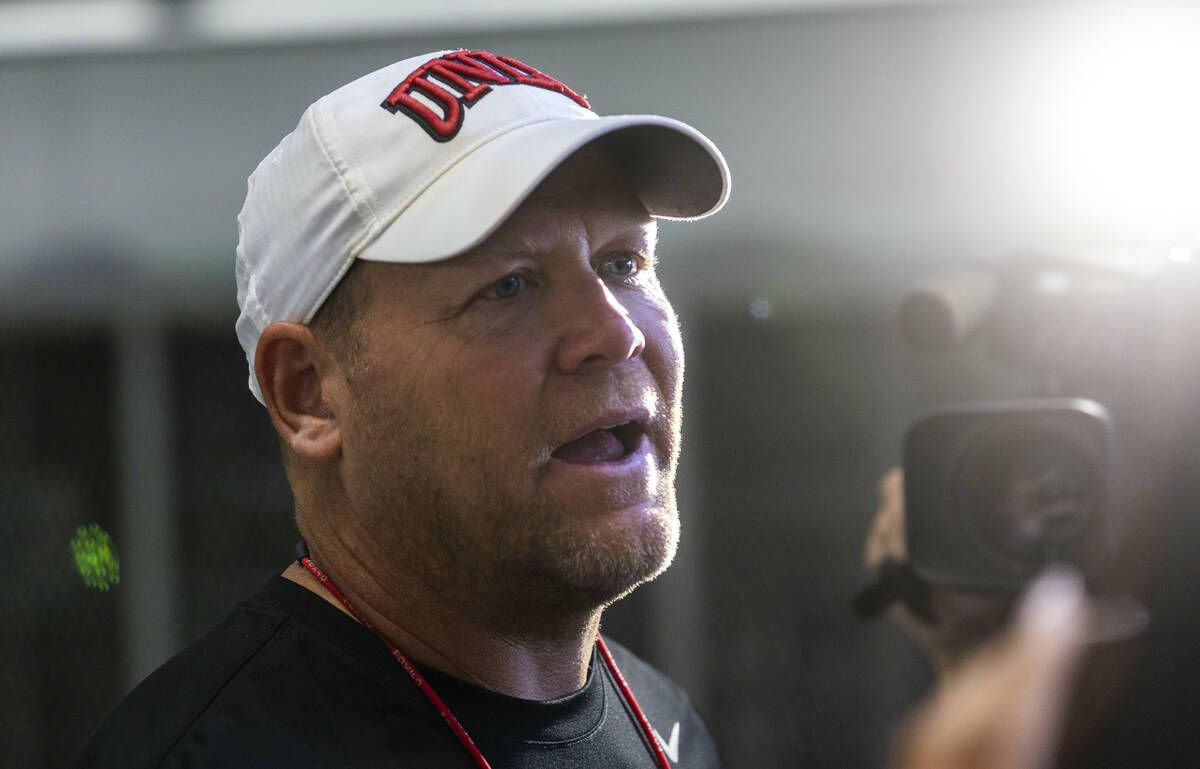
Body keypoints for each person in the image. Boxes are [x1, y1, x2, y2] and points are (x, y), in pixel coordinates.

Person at [69, 48, 1090, 769]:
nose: (615, 330)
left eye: (625, 261)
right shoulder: (212, 752)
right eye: (508, 285)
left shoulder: (662, 719)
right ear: (309, 393)